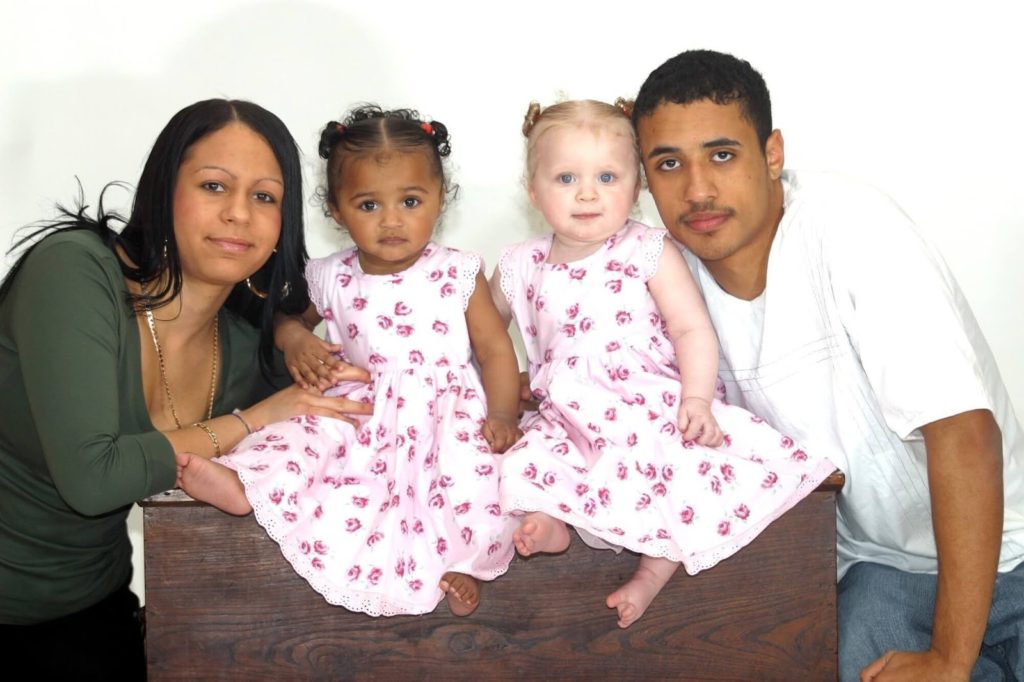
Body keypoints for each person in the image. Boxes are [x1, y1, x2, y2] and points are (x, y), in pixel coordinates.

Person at [633, 49, 1024, 680]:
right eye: (669, 163)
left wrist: (951, 660)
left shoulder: (848, 226)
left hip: (1008, 555)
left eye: (722, 155)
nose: (697, 189)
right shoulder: (666, 281)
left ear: (773, 154)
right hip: (878, 573)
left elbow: (965, 433)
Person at [0, 99, 373, 679]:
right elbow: (94, 478)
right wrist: (251, 421)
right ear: (163, 192)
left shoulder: (247, 349)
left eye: (264, 197)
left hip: (90, 607)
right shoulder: (75, 272)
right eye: (213, 186)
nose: (239, 216)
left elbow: (339, 435)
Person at [490, 99, 835, 629]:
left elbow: (691, 328)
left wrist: (696, 399)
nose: (587, 193)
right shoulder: (518, 265)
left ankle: (654, 571)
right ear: (532, 190)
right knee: (522, 463)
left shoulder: (646, 249)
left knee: (682, 470)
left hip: (645, 401)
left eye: (607, 176)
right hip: (566, 416)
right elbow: (481, 337)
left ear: (636, 187)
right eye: (565, 178)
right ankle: (550, 521)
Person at [178, 105, 522, 618]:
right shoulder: (331, 275)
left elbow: (496, 350)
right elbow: (285, 320)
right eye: (367, 204)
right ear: (337, 211)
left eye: (410, 200)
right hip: (359, 410)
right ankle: (246, 484)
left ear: (439, 200)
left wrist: (501, 415)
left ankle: (463, 563)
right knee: (296, 438)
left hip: (444, 416)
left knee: (475, 482)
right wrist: (295, 337)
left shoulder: (457, 272)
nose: (391, 220)